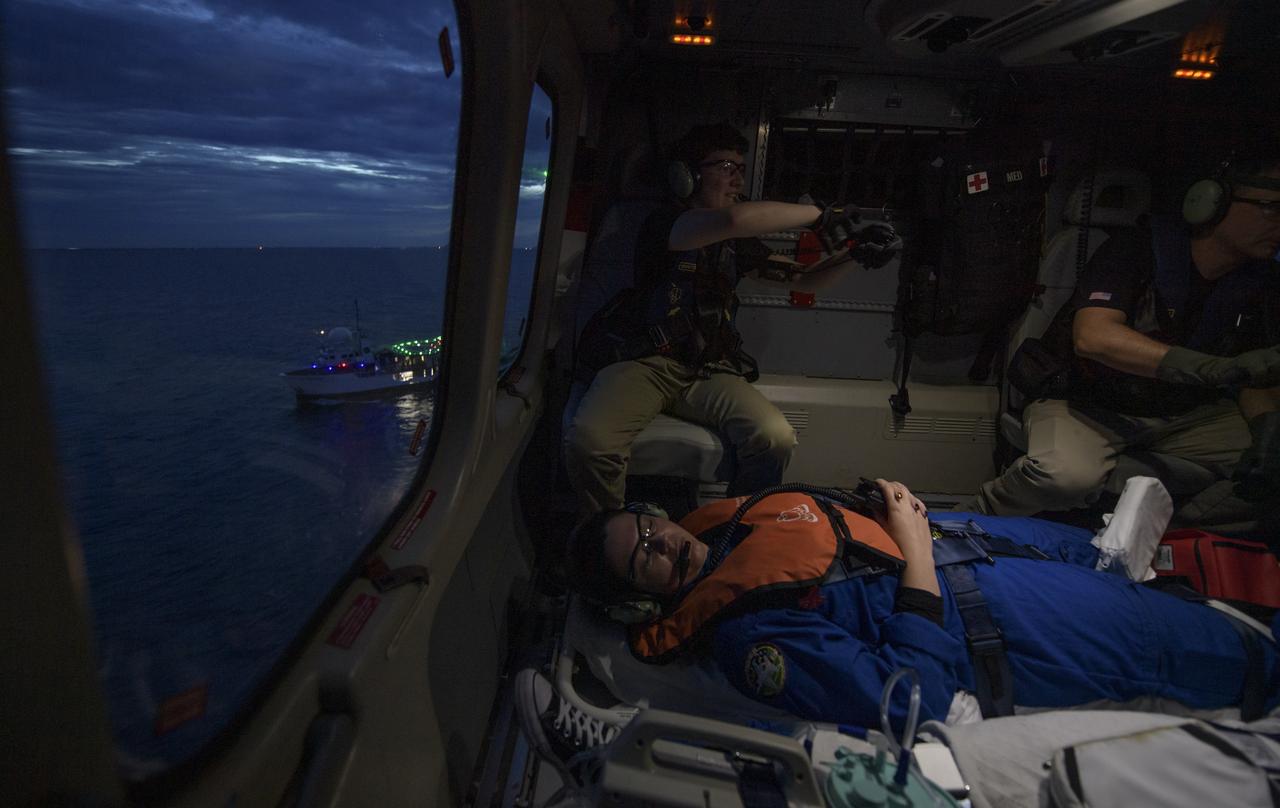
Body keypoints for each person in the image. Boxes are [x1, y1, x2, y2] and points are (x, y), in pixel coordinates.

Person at [555, 481, 1278, 731]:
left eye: (649, 527)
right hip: (1005, 629)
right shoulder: (752, 639)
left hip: (1003, 552)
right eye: (641, 557)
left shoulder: (736, 521)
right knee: (1236, 658)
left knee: (1202, 600)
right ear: (636, 606)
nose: (662, 543)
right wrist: (918, 554)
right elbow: (913, 702)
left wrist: (892, 517)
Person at [564, 123, 901, 514]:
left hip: (705, 370)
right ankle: (611, 535)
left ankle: (737, 523)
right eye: (725, 165)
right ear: (686, 176)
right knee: (590, 443)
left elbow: (806, 278)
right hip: (645, 363)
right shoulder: (666, 224)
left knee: (775, 437)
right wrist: (819, 216)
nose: (737, 176)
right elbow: (732, 221)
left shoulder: (736, 246)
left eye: (741, 167)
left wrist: (855, 254)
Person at [973, 154, 1280, 521]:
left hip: (1184, 413)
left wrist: (1267, 430)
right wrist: (1212, 368)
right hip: (1090, 403)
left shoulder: (1258, 282)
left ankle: (1159, 538)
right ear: (1212, 203)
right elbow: (1094, 337)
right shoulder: (1137, 250)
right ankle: (974, 519)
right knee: (1063, 478)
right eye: (1270, 208)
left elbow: (1251, 374)